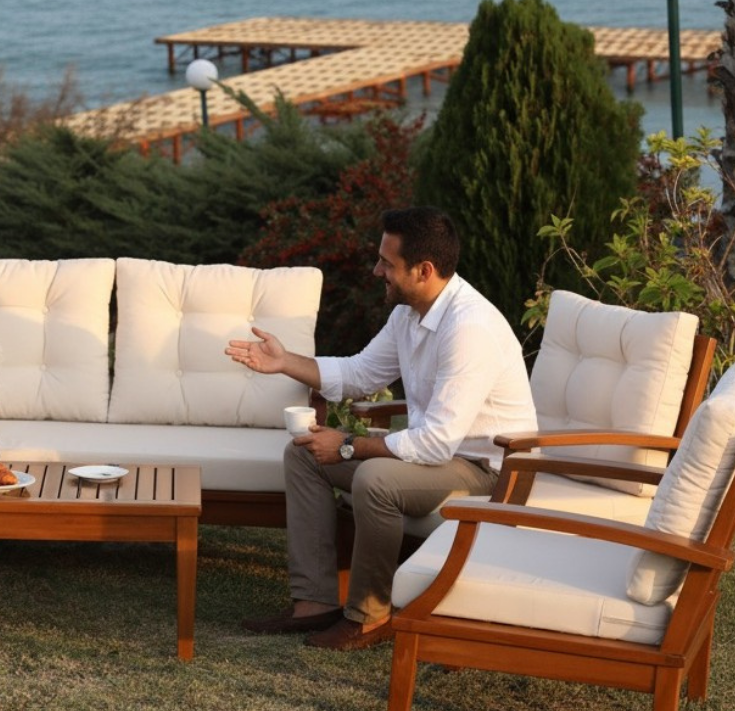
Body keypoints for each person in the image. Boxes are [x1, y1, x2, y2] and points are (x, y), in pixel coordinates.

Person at [226, 205, 536, 650]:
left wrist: (349, 445)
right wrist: (284, 361)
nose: (376, 271)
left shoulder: (469, 328)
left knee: (376, 479)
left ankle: (369, 617)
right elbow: (360, 373)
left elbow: (435, 442)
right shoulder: (409, 313)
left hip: (487, 470)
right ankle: (314, 604)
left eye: (387, 263)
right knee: (304, 453)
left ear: (424, 270)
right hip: (440, 456)